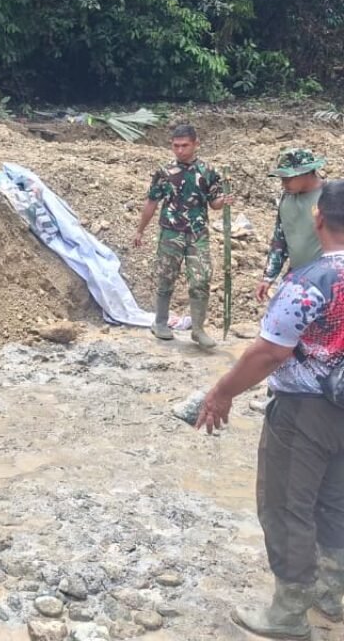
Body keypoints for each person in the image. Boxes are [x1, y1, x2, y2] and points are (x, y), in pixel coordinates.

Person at [197, 179, 344, 639]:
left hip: (305, 412)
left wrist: (222, 392)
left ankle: (288, 614)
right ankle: (331, 592)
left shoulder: (310, 282)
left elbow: (268, 354)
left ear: (318, 218)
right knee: (334, 501)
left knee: (286, 506)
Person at [133, 124, 232, 348]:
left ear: (196, 144)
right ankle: (160, 323)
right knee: (165, 277)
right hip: (171, 232)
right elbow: (152, 201)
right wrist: (140, 230)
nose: (179, 150)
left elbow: (214, 203)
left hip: (198, 234)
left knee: (201, 279)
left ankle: (198, 329)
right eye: (175, 146)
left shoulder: (208, 171)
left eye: (184, 145)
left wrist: (223, 200)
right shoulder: (164, 172)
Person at [255, 148, 324, 302]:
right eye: (282, 178)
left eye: (288, 178)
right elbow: (280, 241)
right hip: (298, 276)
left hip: (328, 280)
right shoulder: (286, 199)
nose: (283, 184)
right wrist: (268, 278)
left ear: (306, 172)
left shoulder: (332, 196)